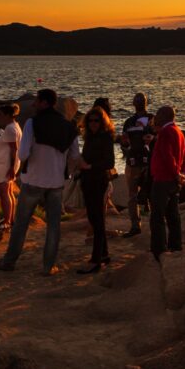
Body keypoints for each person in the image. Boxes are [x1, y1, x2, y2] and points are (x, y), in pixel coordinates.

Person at [0, 89, 80, 276]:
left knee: (21, 224)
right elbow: (75, 156)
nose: (33, 105)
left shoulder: (33, 123)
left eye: (37, 101)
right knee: (53, 226)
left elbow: (22, 154)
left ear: (45, 103)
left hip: (33, 180)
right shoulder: (69, 127)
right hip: (55, 183)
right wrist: (63, 171)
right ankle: (48, 266)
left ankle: (9, 261)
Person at [76, 106, 115, 274]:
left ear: (102, 121)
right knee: (94, 218)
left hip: (98, 181)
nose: (93, 123)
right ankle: (104, 254)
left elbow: (110, 162)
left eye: (96, 120)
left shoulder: (105, 137)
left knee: (97, 219)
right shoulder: (90, 137)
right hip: (88, 180)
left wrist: (89, 166)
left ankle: (96, 260)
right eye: (90, 120)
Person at [149, 106, 185, 261]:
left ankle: (159, 249)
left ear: (164, 115)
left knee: (157, 216)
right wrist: (182, 174)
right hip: (173, 180)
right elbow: (184, 156)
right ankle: (176, 245)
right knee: (173, 215)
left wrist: (176, 174)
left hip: (163, 179)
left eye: (158, 113)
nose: (155, 116)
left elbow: (167, 156)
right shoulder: (179, 132)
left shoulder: (165, 132)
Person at [120, 93, 152, 237]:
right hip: (146, 161)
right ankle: (147, 223)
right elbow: (124, 142)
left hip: (137, 161)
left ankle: (136, 225)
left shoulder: (129, 122)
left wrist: (127, 150)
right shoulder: (151, 119)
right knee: (147, 193)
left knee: (133, 194)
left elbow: (124, 143)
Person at [0, 104, 22, 227]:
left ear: (8, 115)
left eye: (0, 114)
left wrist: (10, 167)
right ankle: (10, 219)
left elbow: (14, 149)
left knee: (3, 192)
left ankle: (7, 222)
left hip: (6, 164)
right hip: (7, 163)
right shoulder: (14, 126)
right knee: (8, 192)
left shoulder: (10, 128)